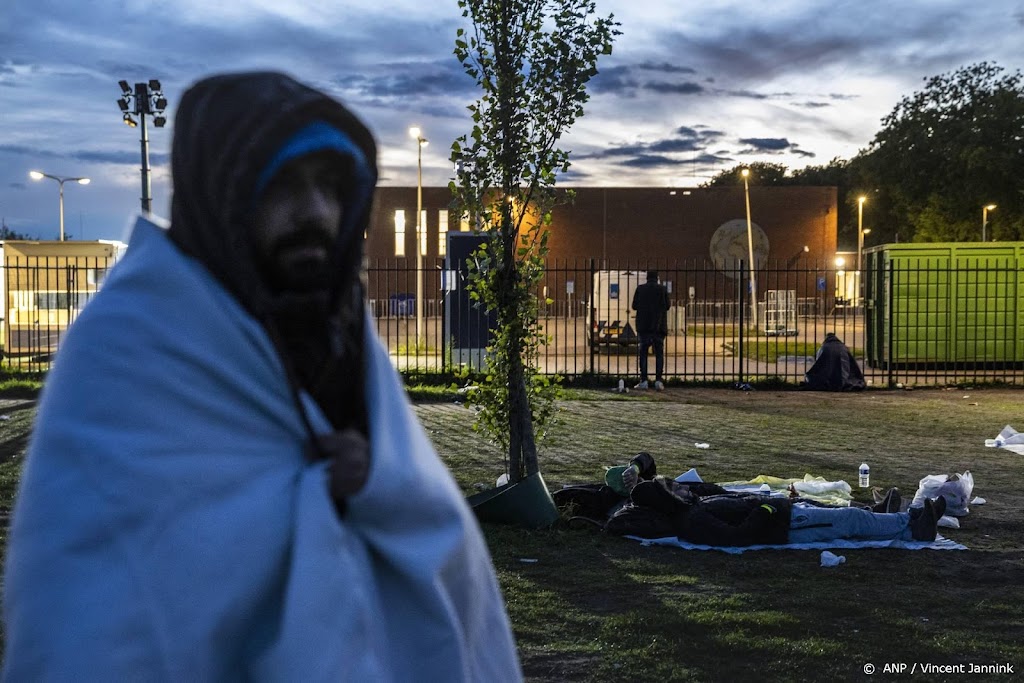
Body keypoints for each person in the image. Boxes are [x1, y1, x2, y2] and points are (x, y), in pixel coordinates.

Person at [2, 72, 522, 681]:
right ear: (225, 191)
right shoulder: (132, 341)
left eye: (331, 188)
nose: (315, 213)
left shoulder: (340, 327)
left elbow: (426, 517)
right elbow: (104, 609)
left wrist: (375, 476)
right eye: (284, 185)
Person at [608, 477, 945, 546]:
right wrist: (768, 507)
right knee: (848, 521)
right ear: (668, 501)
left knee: (844, 518)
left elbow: (706, 488)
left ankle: (907, 524)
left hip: (784, 514)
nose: (683, 488)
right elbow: (735, 537)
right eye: (674, 489)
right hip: (785, 524)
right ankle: (911, 523)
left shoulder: (693, 504)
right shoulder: (693, 520)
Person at [632, 269, 671, 390]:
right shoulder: (662, 289)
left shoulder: (640, 289)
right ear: (657, 277)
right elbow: (668, 306)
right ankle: (658, 381)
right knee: (659, 353)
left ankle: (644, 380)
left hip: (644, 327)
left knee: (643, 353)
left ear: (647, 278)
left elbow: (634, 306)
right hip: (659, 327)